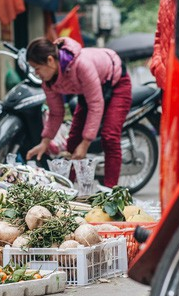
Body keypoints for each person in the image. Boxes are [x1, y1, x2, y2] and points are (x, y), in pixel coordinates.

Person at [25, 37, 132, 188]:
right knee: (73, 140)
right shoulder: (48, 82)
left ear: (50, 60)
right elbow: (56, 113)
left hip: (116, 84)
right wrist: (45, 142)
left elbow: (95, 104)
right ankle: (67, 189)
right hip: (87, 91)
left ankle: (110, 192)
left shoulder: (81, 65)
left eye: (37, 68)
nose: (36, 73)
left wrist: (86, 143)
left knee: (109, 137)